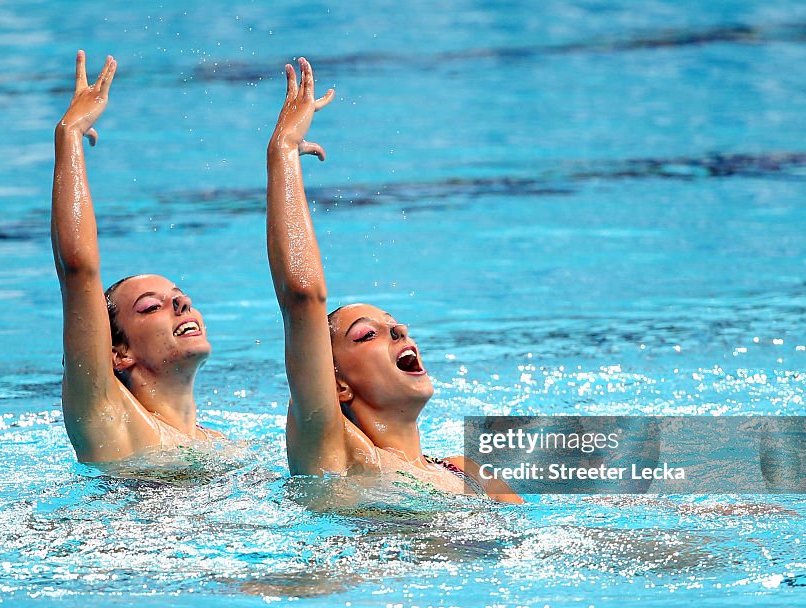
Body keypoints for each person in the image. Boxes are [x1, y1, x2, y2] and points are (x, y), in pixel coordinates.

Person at [266, 58, 522, 503]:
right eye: (367, 335)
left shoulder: (469, 474)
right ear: (336, 383)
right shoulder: (339, 455)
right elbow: (302, 297)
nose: (400, 331)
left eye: (395, 326)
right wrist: (284, 151)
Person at [52, 51, 222, 463]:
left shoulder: (221, 444)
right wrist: (69, 134)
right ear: (118, 354)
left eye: (180, 295)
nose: (182, 303)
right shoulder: (110, 421)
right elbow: (79, 270)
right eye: (151, 307)